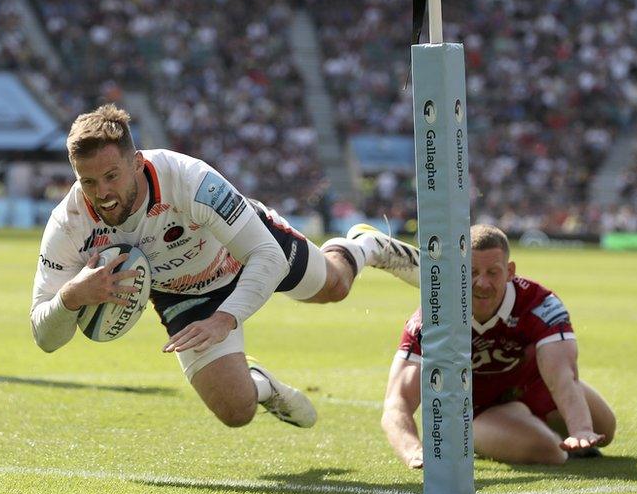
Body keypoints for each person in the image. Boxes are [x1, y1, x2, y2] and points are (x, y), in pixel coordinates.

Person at [31, 104, 419, 428]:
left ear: (136, 163)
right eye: (89, 182)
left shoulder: (189, 180)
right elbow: (44, 336)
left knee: (336, 287)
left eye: (111, 176)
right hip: (180, 293)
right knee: (236, 412)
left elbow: (266, 255)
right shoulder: (69, 224)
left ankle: (365, 245)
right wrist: (71, 296)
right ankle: (264, 385)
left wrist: (225, 318)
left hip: (241, 251)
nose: (102, 195)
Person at [381, 224, 616, 466]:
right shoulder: (432, 319)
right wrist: (412, 450)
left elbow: (563, 376)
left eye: (492, 272)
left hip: (535, 388)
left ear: (510, 271)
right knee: (549, 451)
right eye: (471, 272)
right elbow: (396, 401)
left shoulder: (540, 304)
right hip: (480, 409)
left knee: (604, 429)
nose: (482, 283)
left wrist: (581, 429)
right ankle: (473, 436)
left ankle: (528, 421)